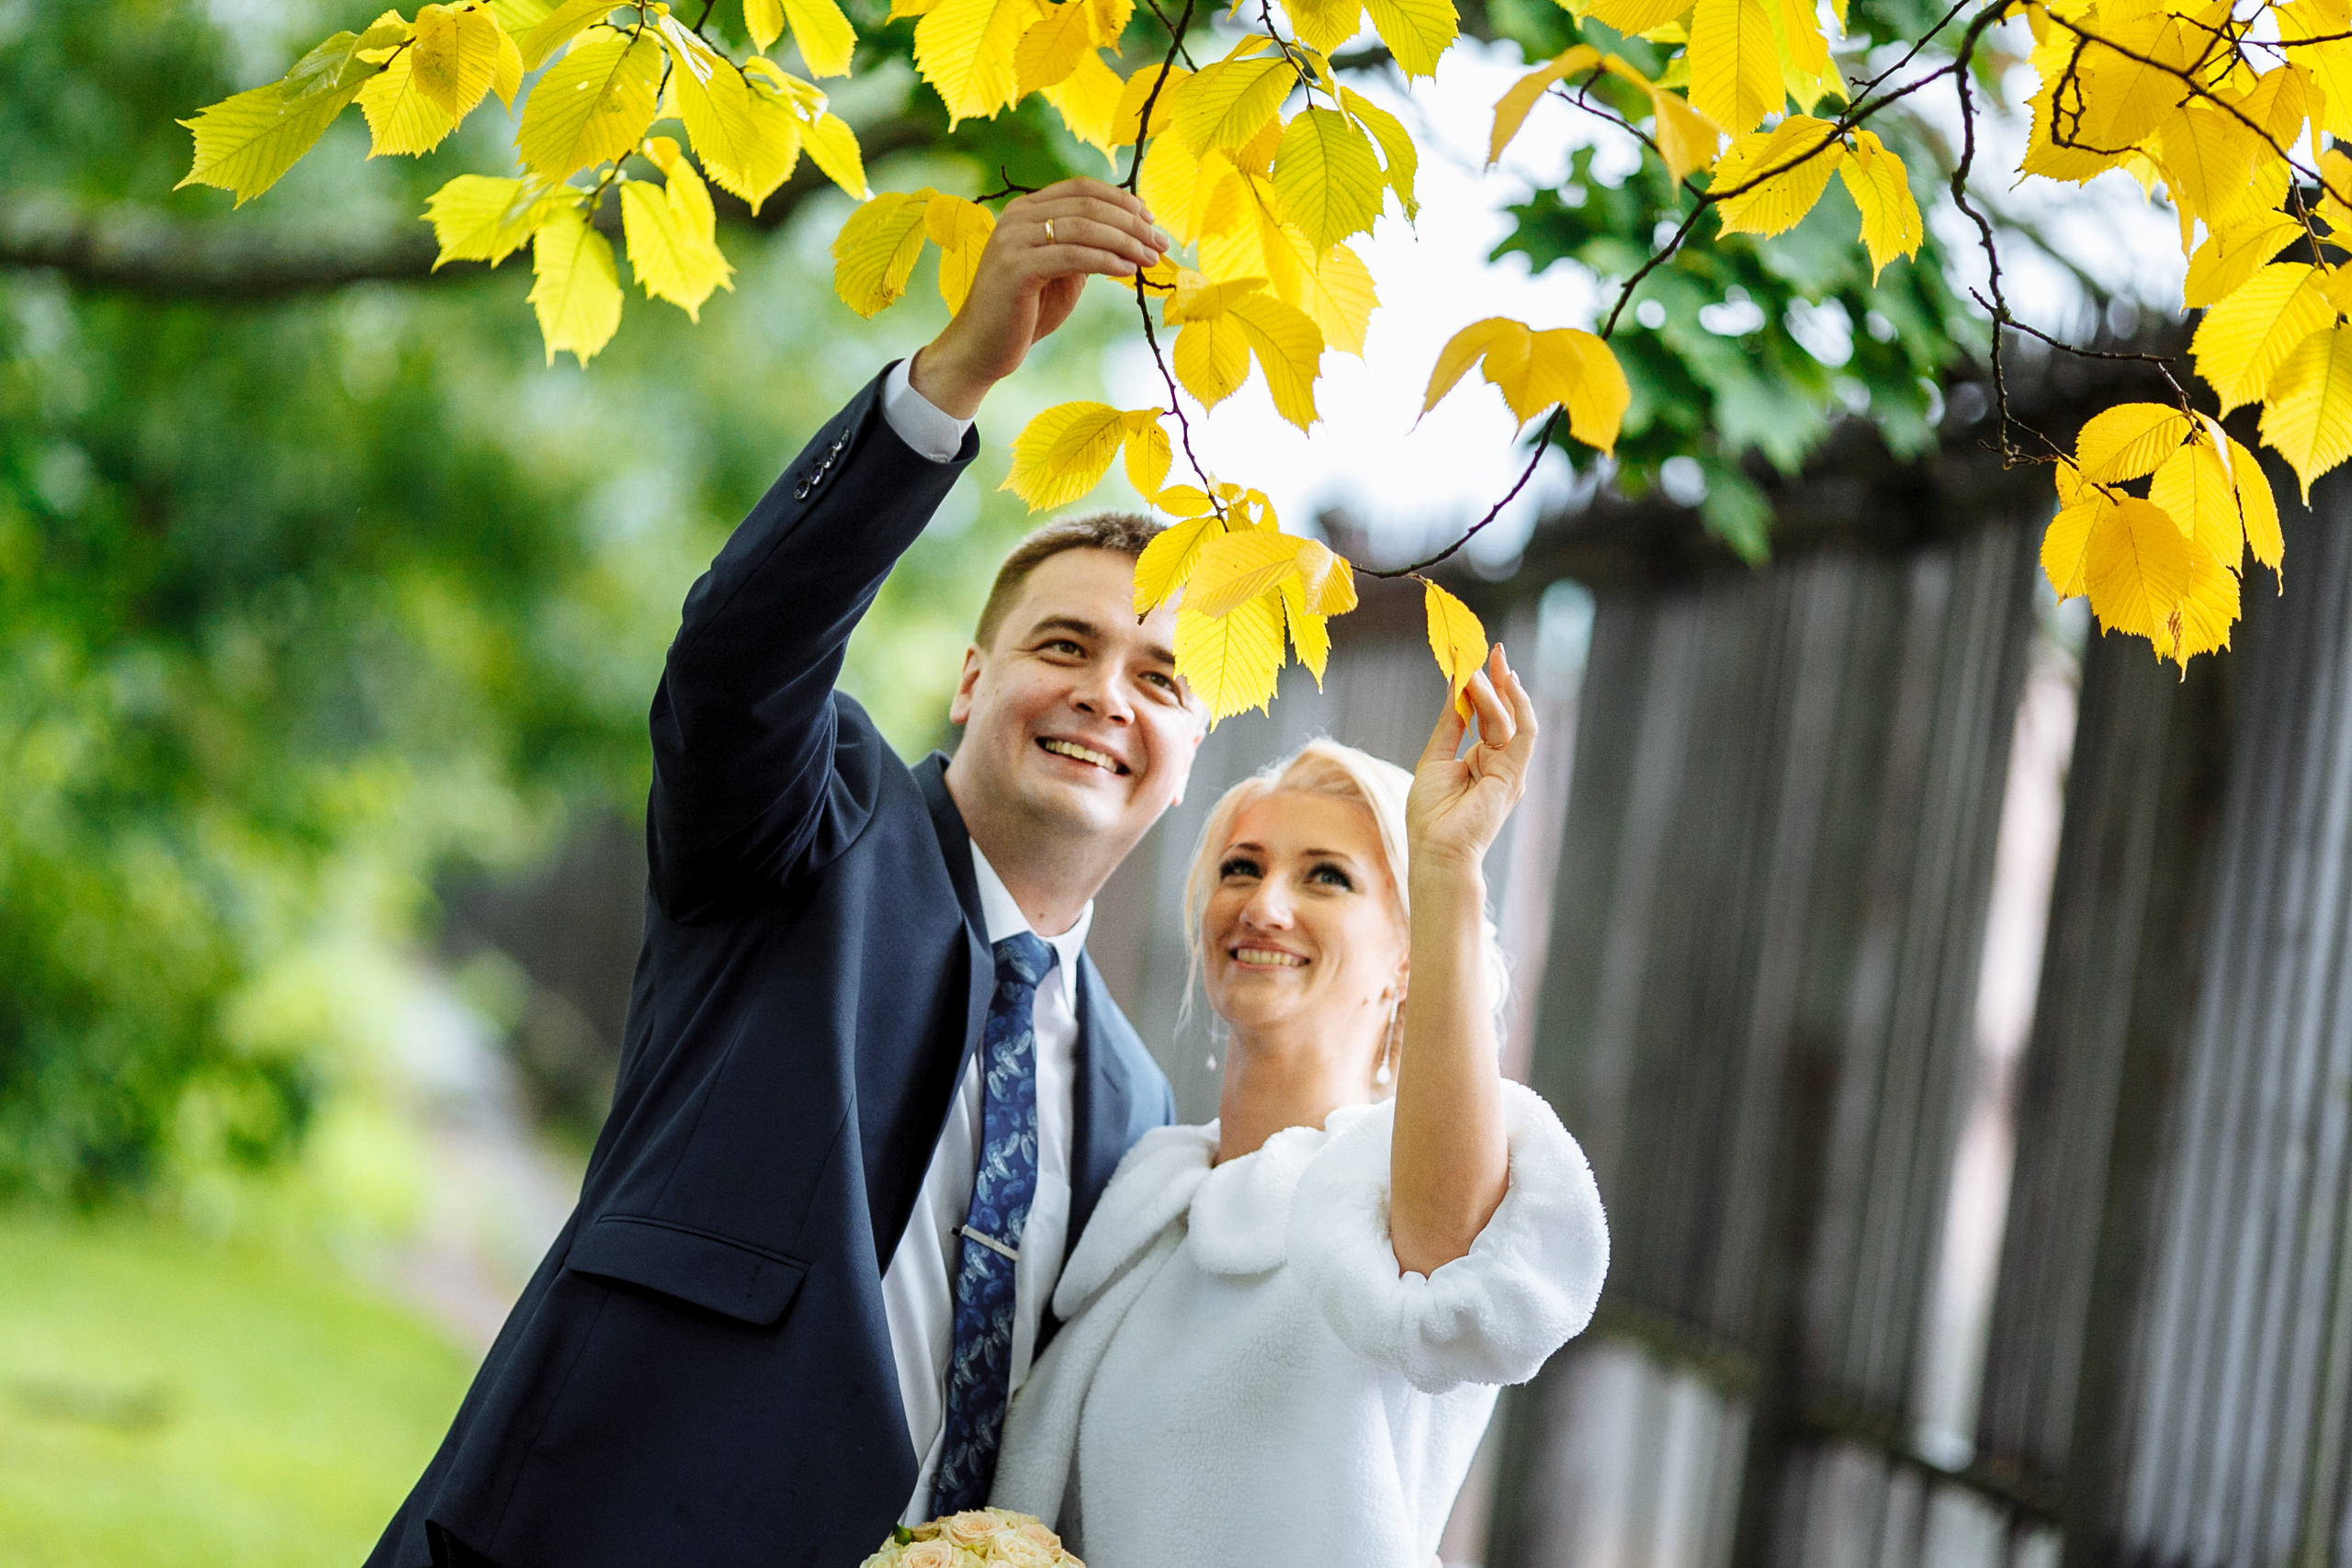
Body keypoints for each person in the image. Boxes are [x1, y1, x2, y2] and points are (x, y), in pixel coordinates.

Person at [367, 178, 1200, 1568]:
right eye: (1064, 646)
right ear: (972, 681)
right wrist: (952, 379)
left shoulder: (1135, 1099)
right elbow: (739, 657)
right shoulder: (812, 827)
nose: (1107, 694)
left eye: (1160, 677)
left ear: (1187, 750)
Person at [990, 649, 1611, 1566]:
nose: (1264, 906)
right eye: (1241, 868)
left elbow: (1455, 1274)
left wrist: (1445, 863)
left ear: (1406, 960)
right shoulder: (1140, 1205)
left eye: (1327, 877)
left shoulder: (1395, 1204)